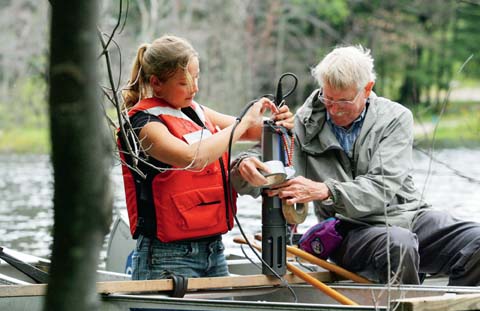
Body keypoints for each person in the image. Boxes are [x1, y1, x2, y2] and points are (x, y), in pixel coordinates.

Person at [236, 45, 480, 286]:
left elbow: (383, 186)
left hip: (409, 216)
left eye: (343, 102)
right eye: (327, 99)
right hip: (348, 231)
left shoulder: (396, 118)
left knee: (475, 241)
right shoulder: (302, 125)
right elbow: (261, 170)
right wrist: (245, 165)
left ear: (367, 89)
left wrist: (327, 191)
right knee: (398, 243)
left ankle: (445, 308)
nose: (333, 109)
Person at [118, 35, 293, 281]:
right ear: (156, 83)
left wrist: (277, 121)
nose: (195, 88)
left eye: (196, 77)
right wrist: (243, 123)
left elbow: (253, 131)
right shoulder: (142, 124)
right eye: (184, 83)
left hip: (214, 250)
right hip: (166, 257)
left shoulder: (196, 111)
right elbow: (192, 157)